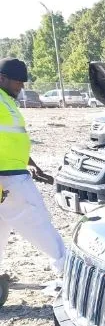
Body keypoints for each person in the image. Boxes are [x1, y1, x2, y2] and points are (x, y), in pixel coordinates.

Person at [0, 57, 66, 307]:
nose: (22, 87)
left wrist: (31, 162)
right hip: (9, 181)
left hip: (12, 174)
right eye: (18, 81)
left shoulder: (7, 101)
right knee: (39, 224)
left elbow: (10, 139)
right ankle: (68, 273)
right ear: (2, 78)